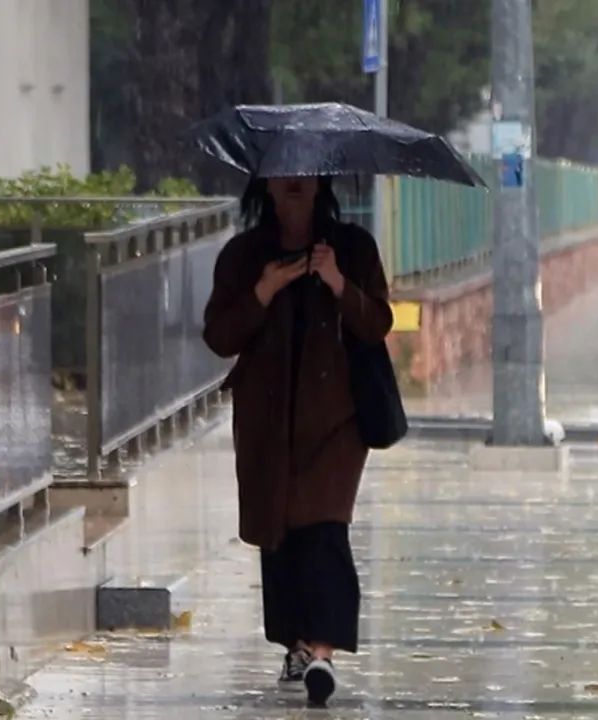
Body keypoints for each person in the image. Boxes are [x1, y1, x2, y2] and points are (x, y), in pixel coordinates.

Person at [202, 175, 393, 706]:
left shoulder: (352, 248)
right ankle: (299, 644)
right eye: (283, 174)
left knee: (325, 529)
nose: (294, 182)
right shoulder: (244, 255)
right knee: (279, 531)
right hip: (266, 422)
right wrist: (263, 289)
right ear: (265, 184)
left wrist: (336, 281)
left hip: (336, 423)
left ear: (320, 184)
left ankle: (324, 653)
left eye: (305, 175)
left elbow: (377, 322)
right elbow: (219, 336)